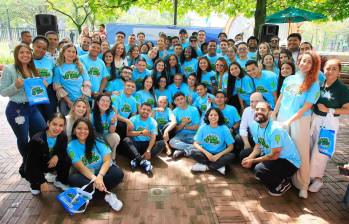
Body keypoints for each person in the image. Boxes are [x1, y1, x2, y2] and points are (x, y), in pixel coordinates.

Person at [272, 51, 321, 199]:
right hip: (282, 118)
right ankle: (281, 177)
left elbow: (306, 107)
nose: (304, 64)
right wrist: (274, 114)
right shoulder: (289, 79)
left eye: (309, 62)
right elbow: (281, 98)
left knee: (301, 151)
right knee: (281, 148)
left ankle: (303, 184)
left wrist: (289, 121)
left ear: (313, 65)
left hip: (299, 121)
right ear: (298, 61)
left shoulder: (314, 83)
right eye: (302, 60)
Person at [0, 44, 46, 171]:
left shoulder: (32, 69)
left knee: (42, 131)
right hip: (16, 109)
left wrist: (42, 86)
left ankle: (35, 158)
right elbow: (3, 92)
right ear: (16, 54)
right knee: (23, 138)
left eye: (27, 52)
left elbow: (34, 90)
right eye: (22, 53)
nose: (25, 55)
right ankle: (27, 164)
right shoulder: (9, 69)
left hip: (32, 108)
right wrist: (16, 85)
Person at [241, 101, 301, 196]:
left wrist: (253, 161)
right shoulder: (254, 125)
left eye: (263, 110)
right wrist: (250, 157)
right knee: (244, 155)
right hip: (271, 154)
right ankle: (269, 175)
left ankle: (282, 184)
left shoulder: (275, 129)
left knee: (259, 169)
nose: (259, 111)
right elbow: (258, 145)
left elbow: (275, 155)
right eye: (257, 109)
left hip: (288, 161)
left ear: (270, 113)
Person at [308, 59, 349, 192]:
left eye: (334, 69)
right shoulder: (319, 84)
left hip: (329, 122)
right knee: (310, 147)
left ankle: (318, 179)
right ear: (323, 69)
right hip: (314, 119)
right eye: (327, 68)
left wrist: (330, 110)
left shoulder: (342, 89)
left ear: (339, 72)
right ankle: (308, 175)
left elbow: (347, 109)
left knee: (321, 151)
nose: (330, 71)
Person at [68, 118, 124, 211]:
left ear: (90, 131)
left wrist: (100, 177)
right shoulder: (71, 146)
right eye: (79, 128)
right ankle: (107, 195)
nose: (82, 131)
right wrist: (95, 179)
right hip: (87, 174)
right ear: (74, 131)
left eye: (86, 129)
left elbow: (107, 160)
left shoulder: (98, 140)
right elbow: (81, 168)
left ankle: (92, 191)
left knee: (118, 173)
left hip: (103, 171)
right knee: (72, 179)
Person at [24, 113, 71, 195]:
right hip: (36, 164)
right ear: (48, 123)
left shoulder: (63, 136)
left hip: (50, 162)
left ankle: (60, 180)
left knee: (67, 158)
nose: (57, 128)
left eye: (61, 125)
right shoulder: (37, 140)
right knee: (36, 191)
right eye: (54, 124)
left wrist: (57, 156)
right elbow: (31, 164)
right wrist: (42, 182)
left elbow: (63, 150)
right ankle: (35, 183)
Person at [121, 103, 165, 176]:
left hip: (147, 145)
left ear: (150, 112)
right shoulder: (133, 119)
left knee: (162, 143)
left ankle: (136, 159)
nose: (146, 111)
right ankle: (142, 161)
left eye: (148, 110)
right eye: (144, 109)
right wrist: (141, 132)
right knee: (126, 140)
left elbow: (153, 138)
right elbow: (128, 133)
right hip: (135, 145)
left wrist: (148, 150)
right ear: (140, 109)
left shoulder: (153, 121)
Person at [191, 108, 235, 176]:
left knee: (232, 156)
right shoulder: (203, 127)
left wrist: (218, 155)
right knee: (193, 152)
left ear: (219, 116)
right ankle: (218, 167)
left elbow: (231, 147)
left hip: (220, 154)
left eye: (215, 115)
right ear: (207, 116)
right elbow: (195, 143)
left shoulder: (224, 128)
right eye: (211, 115)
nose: (213, 117)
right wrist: (206, 153)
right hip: (206, 153)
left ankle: (206, 167)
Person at [53, 43, 91, 115]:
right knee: (67, 123)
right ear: (63, 53)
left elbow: (87, 83)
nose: (71, 54)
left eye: (73, 52)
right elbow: (57, 86)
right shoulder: (58, 67)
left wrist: (81, 100)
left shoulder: (80, 66)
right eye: (69, 51)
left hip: (82, 100)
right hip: (66, 102)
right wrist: (68, 101)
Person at [32, 35, 57, 121]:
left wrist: (55, 83)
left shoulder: (50, 60)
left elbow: (55, 73)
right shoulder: (27, 59)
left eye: (44, 48)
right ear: (33, 46)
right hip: (34, 91)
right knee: (38, 118)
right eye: (38, 47)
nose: (41, 50)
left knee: (51, 116)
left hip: (49, 91)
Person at [169, 92, 200, 159]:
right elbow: (175, 129)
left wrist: (185, 126)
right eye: (177, 100)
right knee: (172, 142)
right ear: (175, 102)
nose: (180, 101)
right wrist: (183, 123)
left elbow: (197, 127)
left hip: (193, 134)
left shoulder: (194, 109)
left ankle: (182, 151)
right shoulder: (174, 112)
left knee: (202, 143)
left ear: (185, 99)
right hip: (180, 135)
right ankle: (192, 149)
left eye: (181, 98)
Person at [91, 94, 120, 161]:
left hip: (105, 137)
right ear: (98, 102)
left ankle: (112, 159)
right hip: (95, 138)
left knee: (115, 137)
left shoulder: (112, 113)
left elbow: (111, 131)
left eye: (108, 101)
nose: (105, 103)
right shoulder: (91, 114)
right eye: (103, 100)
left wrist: (112, 123)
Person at [239, 92, 265, 160]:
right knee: (238, 138)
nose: (253, 104)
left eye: (257, 101)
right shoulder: (247, 110)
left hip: (263, 142)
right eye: (251, 101)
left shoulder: (267, 113)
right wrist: (246, 143)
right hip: (253, 137)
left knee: (243, 155)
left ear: (263, 101)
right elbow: (242, 128)